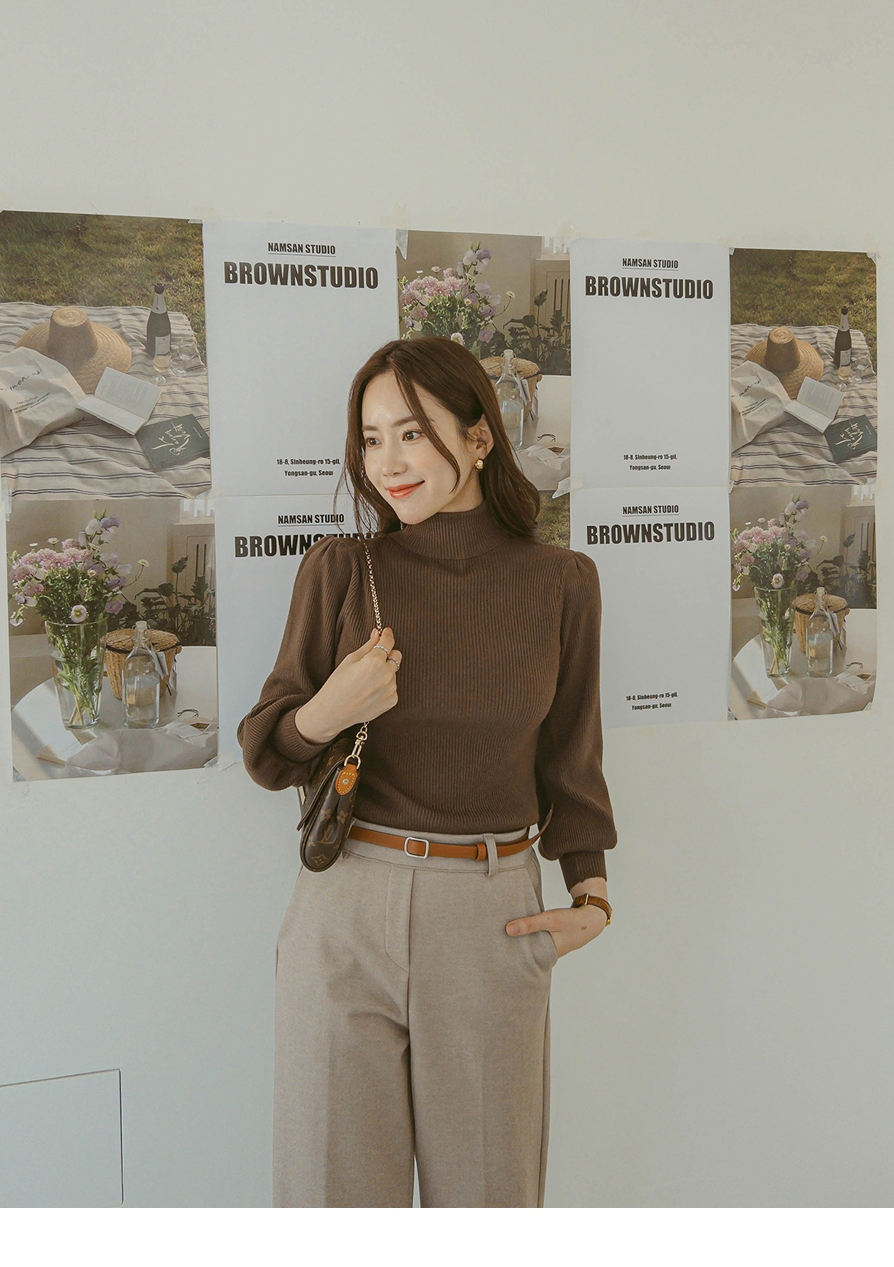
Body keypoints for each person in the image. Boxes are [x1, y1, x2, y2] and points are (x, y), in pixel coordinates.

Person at [238, 335, 616, 1208]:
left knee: (489, 1202)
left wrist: (591, 896)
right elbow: (266, 749)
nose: (387, 463)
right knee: (332, 1206)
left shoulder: (561, 581)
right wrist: (330, 708)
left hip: (491, 911)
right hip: (347, 904)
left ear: (480, 436)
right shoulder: (342, 569)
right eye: (371, 440)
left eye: (411, 433)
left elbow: (572, 752)